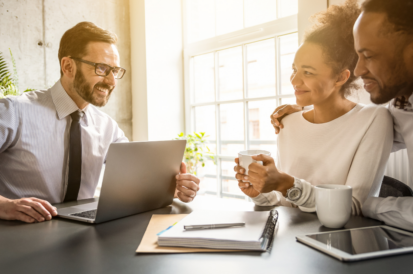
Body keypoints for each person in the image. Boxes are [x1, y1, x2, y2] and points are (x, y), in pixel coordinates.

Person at [0, 22, 200, 224]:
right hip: (18, 236)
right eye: (102, 68)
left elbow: (135, 181)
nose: (112, 82)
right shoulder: (13, 112)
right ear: (68, 66)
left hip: (82, 235)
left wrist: (167, 189)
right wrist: (4, 206)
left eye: (115, 71)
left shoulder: (108, 127)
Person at [234, 0, 393, 215]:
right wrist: (260, 192)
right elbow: (285, 201)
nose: (294, 80)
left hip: (340, 242)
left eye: (307, 72)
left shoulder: (374, 119)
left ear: (340, 77)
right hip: (289, 241)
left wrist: (286, 184)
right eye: (294, 69)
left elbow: (354, 206)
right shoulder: (287, 122)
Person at [270, 0, 413, 231]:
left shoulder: (379, 118)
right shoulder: (401, 107)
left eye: (369, 55)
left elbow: (354, 205)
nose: (359, 70)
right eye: (295, 70)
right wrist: (306, 112)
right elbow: (359, 128)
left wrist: (366, 206)